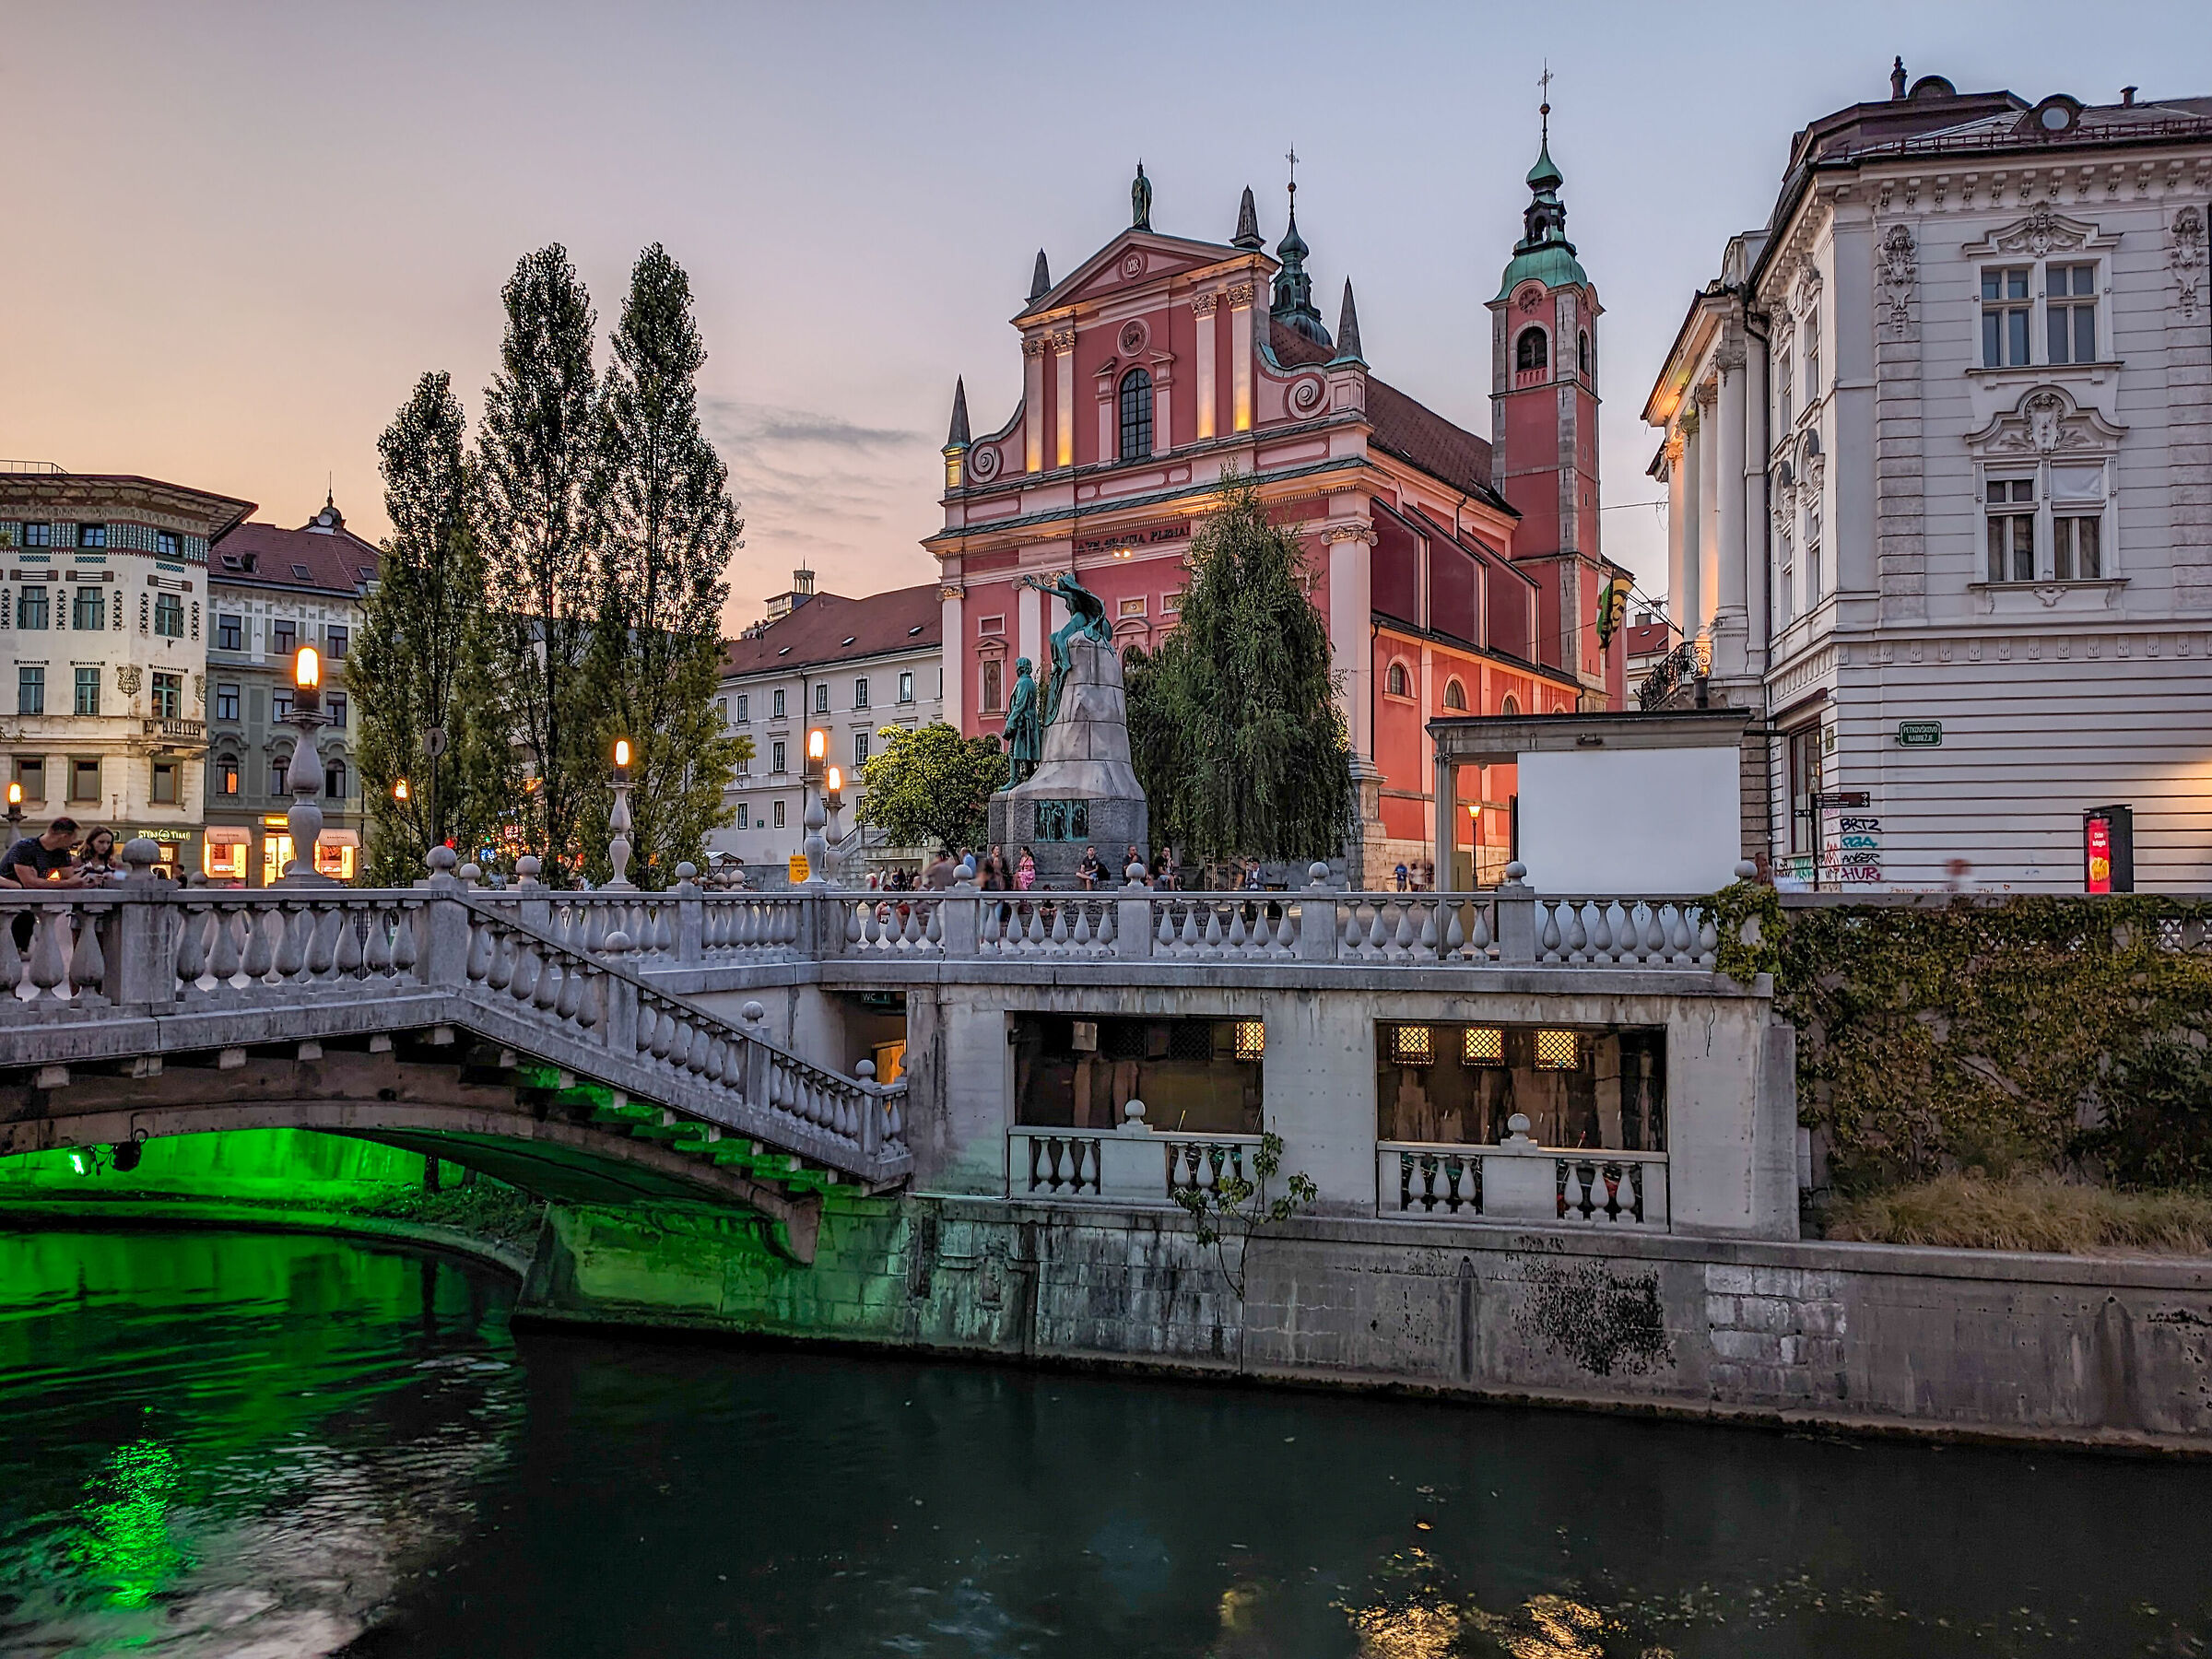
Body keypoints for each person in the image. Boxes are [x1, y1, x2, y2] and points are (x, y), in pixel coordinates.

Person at [5, 818, 84, 890]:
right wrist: (68, 883)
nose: (74, 842)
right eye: (74, 838)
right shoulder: (25, 847)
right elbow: (29, 883)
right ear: (64, 837)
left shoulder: (61, 851)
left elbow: (70, 877)